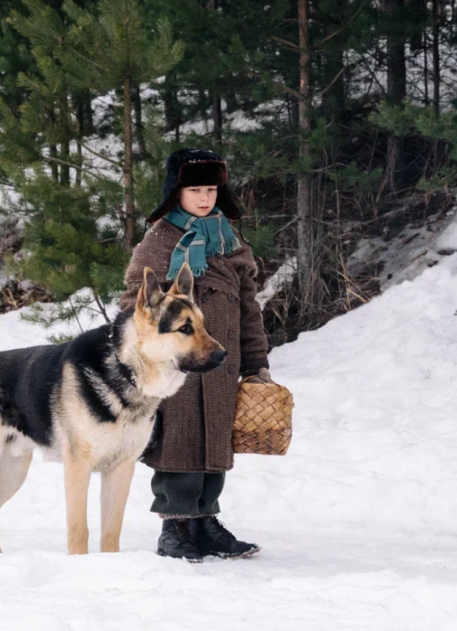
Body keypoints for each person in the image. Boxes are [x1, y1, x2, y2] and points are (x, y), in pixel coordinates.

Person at [118, 147, 273, 562]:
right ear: (177, 192)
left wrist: (257, 363)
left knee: (217, 436)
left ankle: (205, 520)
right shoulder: (160, 240)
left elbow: (248, 308)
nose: (204, 198)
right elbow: (133, 306)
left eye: (211, 189)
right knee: (179, 437)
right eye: (195, 189)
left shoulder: (230, 241)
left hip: (222, 360)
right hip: (173, 366)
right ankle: (175, 526)